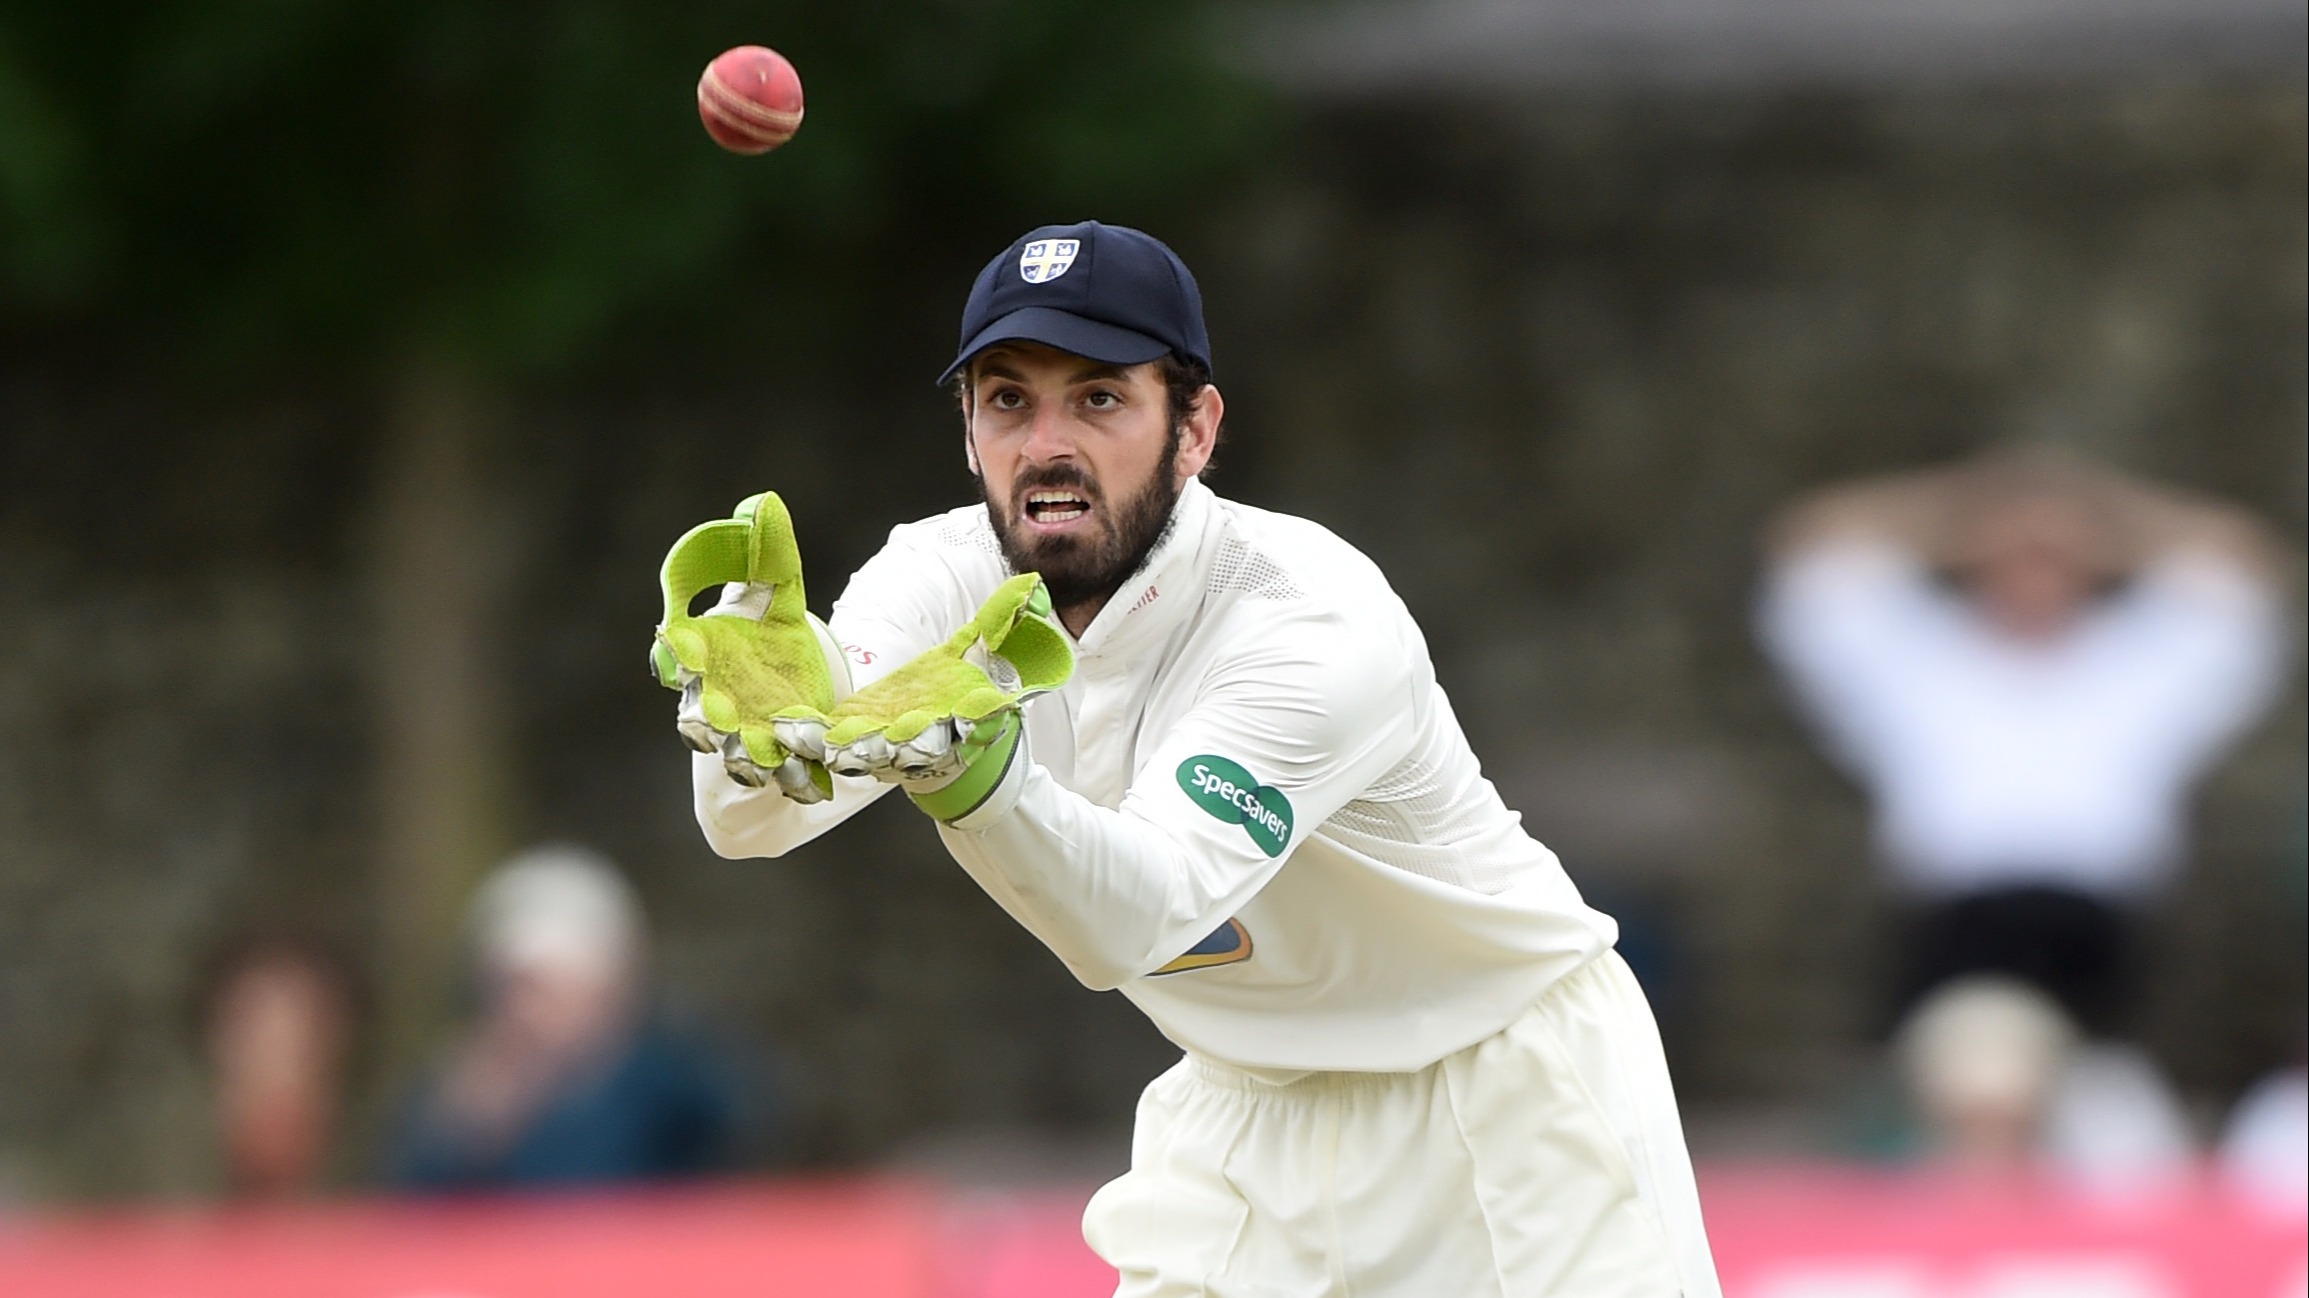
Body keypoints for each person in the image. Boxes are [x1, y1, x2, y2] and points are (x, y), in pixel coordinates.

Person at [653, 221, 1719, 1296]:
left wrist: (978, 783)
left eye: (1099, 397)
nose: (1047, 443)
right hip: (1241, 1107)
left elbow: (1139, 911)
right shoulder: (932, 573)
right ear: (967, 430)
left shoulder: (1306, 618)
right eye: (1007, 398)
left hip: (1503, 1090)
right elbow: (753, 821)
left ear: (1196, 428)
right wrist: (759, 710)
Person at [1755, 449, 2291, 1037]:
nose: (2034, 573)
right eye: (2015, 556)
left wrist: (2102, 516)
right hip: (1958, 927)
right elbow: (1806, 549)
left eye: (2054, 559)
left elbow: (2248, 567)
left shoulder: (2139, 663)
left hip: (2100, 936)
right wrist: (1968, 510)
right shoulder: (1923, 657)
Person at [386, 845, 744, 1192]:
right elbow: (416, 1213)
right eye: (515, 988)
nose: (529, 1010)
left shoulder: (672, 1085)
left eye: (549, 987)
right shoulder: (466, 1095)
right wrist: (462, 1134)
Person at [200, 934, 359, 1199]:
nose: (274, 1081)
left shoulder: (392, 1215)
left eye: (293, 1053)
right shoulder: (161, 1226)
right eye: (257, 1045)